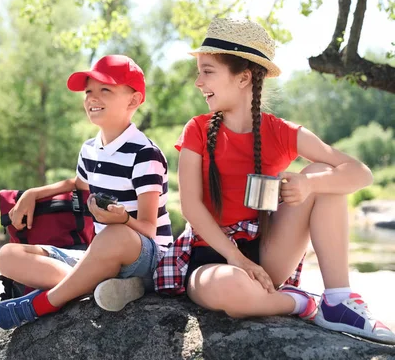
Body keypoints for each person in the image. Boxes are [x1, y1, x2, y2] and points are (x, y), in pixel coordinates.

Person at [153, 18, 395, 345]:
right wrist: (237, 260)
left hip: (267, 254)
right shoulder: (196, 129)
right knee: (231, 289)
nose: (198, 82)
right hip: (211, 257)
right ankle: (307, 304)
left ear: (243, 78)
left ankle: (338, 298)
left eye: (207, 71)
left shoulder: (280, 131)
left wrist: (309, 185)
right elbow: (191, 207)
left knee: (325, 177)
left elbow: (360, 173)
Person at [0, 54, 173, 331]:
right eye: (88, 92)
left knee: (115, 235)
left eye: (105, 90)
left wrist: (122, 222)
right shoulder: (90, 148)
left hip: (145, 255)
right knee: (8, 256)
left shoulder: (145, 154)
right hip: (97, 256)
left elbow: (148, 229)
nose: (92, 98)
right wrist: (33, 193)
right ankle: (102, 286)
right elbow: (78, 184)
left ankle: (42, 303)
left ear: (133, 100)